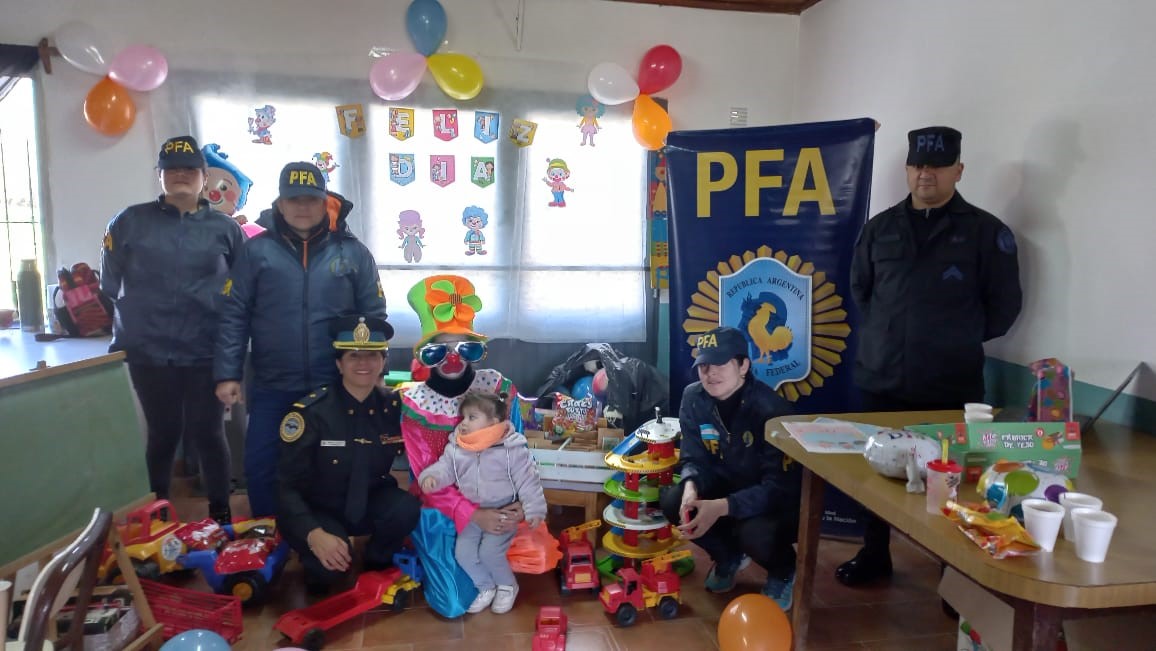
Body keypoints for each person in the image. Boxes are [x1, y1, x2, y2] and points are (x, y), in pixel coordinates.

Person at [839, 126, 1023, 586]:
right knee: (875, 477)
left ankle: (953, 574)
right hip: (882, 378)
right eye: (919, 164)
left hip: (950, 384)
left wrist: (949, 337)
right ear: (907, 169)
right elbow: (861, 290)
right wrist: (893, 335)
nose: (926, 174)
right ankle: (875, 554)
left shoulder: (986, 232)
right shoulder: (879, 228)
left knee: (952, 481)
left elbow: (1003, 309)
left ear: (958, 171)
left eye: (938, 166)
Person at [215, 161, 387, 518]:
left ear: (325, 202)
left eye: (311, 199)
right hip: (273, 382)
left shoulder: (352, 252)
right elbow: (234, 314)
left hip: (333, 384)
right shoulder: (256, 252)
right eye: (294, 200)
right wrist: (228, 373)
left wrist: (372, 372)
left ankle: (323, 529)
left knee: (331, 461)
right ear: (280, 204)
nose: (303, 207)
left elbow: (373, 317)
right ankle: (267, 532)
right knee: (262, 462)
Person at [100, 135, 243, 524]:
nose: (180, 175)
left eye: (189, 169)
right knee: (163, 434)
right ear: (161, 176)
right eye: (171, 169)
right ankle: (156, 517)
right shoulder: (129, 221)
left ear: (203, 177)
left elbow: (242, 292)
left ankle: (221, 516)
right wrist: (132, 327)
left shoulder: (225, 229)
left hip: (205, 351)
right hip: (149, 352)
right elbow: (108, 285)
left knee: (208, 433)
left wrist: (233, 355)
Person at [400, 274, 524, 617]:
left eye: (464, 347)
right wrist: (473, 514)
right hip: (443, 510)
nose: (452, 359)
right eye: (439, 349)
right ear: (426, 355)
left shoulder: (499, 388)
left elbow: (520, 452)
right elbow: (426, 476)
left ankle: (501, 576)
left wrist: (519, 503)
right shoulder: (416, 404)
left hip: (498, 499)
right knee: (455, 604)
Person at [660, 325, 799, 610]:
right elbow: (693, 456)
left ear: (744, 365)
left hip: (771, 503)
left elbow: (779, 489)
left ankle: (784, 570)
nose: (711, 373)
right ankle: (729, 557)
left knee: (754, 534)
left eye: (721, 363)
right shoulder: (693, 397)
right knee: (675, 502)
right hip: (724, 485)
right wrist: (690, 486)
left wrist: (723, 506)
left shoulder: (772, 410)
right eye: (704, 365)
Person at [277, 315, 420, 593]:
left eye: (372, 355)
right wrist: (313, 534)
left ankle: (376, 558)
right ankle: (324, 548)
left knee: (406, 509)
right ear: (338, 363)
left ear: (383, 361)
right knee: (326, 574)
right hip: (321, 507)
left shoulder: (394, 407)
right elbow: (285, 487)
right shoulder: (310, 413)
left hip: (370, 497)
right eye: (353, 356)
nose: (363, 364)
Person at [419, 392, 546, 614]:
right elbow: (445, 468)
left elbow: (528, 480)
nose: (464, 424)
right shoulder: (457, 447)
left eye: (472, 417)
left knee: (490, 552)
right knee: (463, 553)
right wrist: (432, 477)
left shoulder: (511, 450)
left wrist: (533, 509)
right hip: (472, 512)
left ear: (493, 423)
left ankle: (507, 586)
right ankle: (485, 587)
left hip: (503, 510)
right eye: (463, 417)